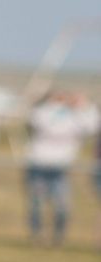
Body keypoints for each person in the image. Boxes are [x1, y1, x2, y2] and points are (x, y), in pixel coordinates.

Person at [24, 91, 99, 246]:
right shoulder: (45, 112)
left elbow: (93, 126)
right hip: (38, 165)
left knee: (62, 206)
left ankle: (58, 238)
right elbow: (39, 121)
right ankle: (36, 237)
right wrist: (54, 104)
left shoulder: (77, 117)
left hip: (61, 169)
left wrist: (83, 106)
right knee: (36, 204)